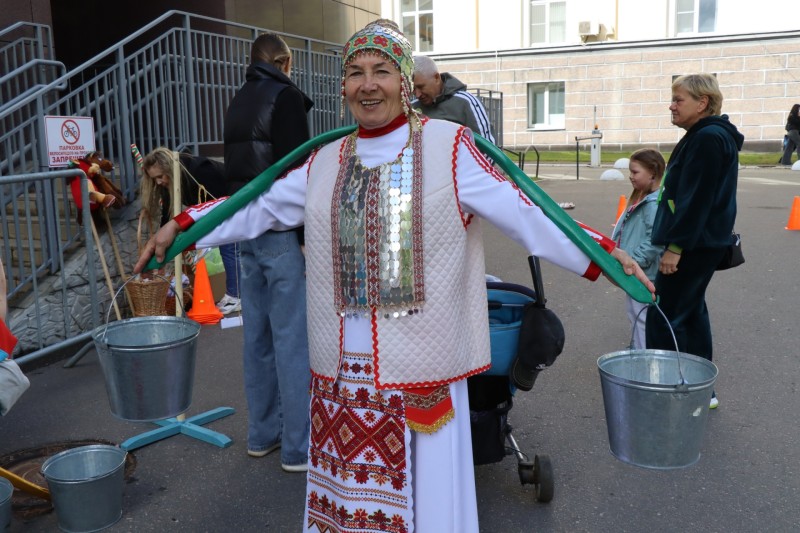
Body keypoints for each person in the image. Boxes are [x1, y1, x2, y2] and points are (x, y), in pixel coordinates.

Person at [135, 21, 653, 532]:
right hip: (345, 374)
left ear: (405, 82)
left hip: (420, 368)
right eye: (356, 72)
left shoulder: (450, 148)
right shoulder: (324, 161)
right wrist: (182, 229)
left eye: (382, 70)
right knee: (351, 502)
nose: (367, 84)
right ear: (342, 86)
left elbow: (527, 211)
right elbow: (259, 205)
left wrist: (606, 255)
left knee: (425, 497)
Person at [221, 31, 314, 470]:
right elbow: (297, 173)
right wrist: (305, 238)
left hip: (246, 232)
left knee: (256, 337)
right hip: (280, 230)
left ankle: (262, 435)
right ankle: (298, 447)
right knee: (292, 338)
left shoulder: (239, 99)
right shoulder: (286, 97)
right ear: (283, 61)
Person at [646, 73, 744, 410]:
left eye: (679, 100)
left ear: (702, 103)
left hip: (693, 245)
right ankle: (702, 388)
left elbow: (697, 199)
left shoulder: (707, 139)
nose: (671, 106)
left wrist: (675, 248)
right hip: (702, 243)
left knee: (664, 313)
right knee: (691, 313)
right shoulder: (706, 135)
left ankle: (666, 387)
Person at [140, 148, 241, 313]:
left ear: (169, 169)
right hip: (213, 206)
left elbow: (220, 201)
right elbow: (167, 217)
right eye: (154, 179)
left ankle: (236, 296)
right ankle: (236, 293)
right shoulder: (169, 181)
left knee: (229, 247)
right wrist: (161, 243)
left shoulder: (199, 170)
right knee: (229, 248)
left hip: (229, 200)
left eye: (160, 176)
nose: (158, 182)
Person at [611, 148, 665, 350]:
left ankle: (644, 356)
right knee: (634, 313)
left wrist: (634, 261)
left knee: (641, 315)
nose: (630, 176)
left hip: (644, 271)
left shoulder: (652, 204)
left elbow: (656, 240)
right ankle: (638, 349)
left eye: (635, 172)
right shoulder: (642, 198)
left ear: (652, 173)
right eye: (630, 172)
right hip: (636, 268)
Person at [412, 54, 496, 144]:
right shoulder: (411, 108)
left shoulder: (467, 103)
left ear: (436, 78)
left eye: (421, 87)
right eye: (412, 89)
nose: (417, 94)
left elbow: (488, 150)